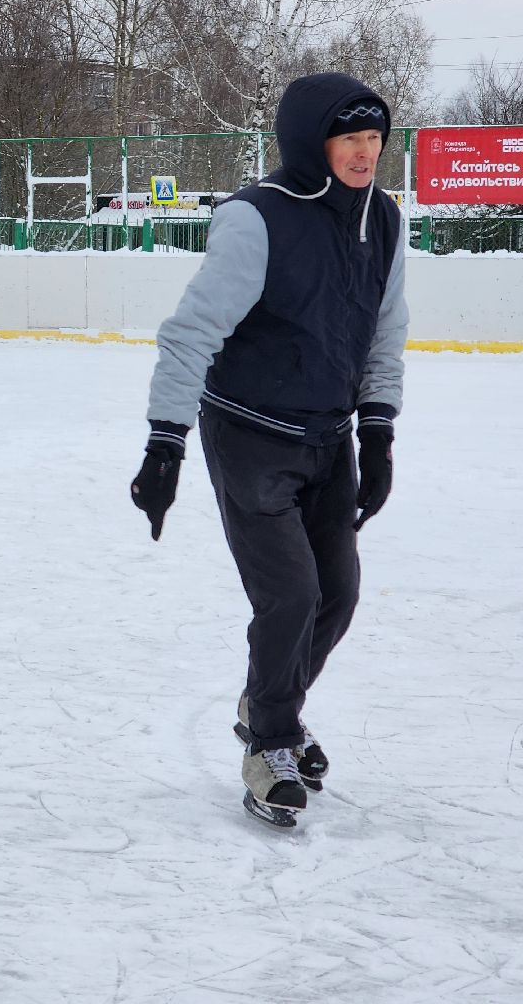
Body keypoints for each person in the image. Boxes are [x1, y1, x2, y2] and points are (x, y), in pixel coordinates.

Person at [129, 72, 409, 828]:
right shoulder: (257, 219)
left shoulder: (382, 218)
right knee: (289, 595)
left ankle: (267, 706)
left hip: (330, 437)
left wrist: (378, 434)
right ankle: (271, 745)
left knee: (337, 594)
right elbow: (192, 333)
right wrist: (165, 445)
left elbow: (386, 328)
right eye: (349, 137)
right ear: (310, 142)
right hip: (251, 434)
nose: (365, 152)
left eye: (375, 137)